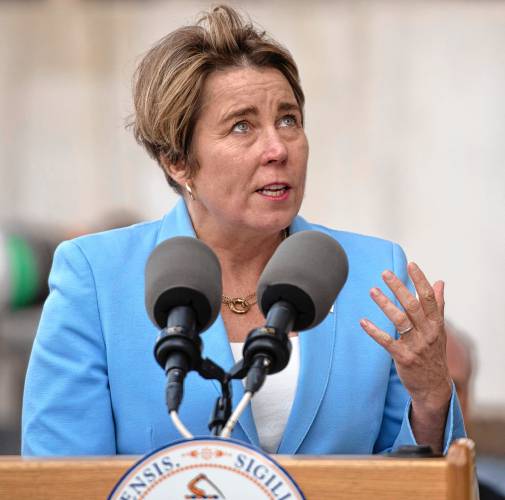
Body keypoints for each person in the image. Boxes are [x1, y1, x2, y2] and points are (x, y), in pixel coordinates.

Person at [22, 5, 465, 456]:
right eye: (242, 126)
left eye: (288, 119)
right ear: (177, 162)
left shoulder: (374, 273)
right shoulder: (95, 278)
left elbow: (418, 477)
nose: (277, 148)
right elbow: (60, 476)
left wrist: (431, 399)